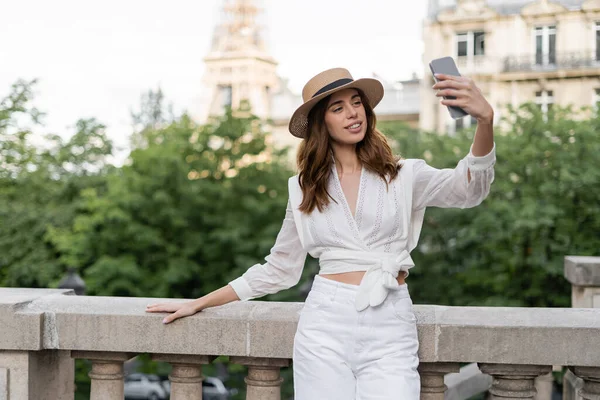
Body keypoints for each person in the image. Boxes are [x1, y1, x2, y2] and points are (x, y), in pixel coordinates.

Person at [146, 67, 496, 399]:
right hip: (325, 322)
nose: (352, 114)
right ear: (321, 122)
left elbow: (469, 189)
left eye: (357, 103)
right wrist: (200, 302)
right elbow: (279, 269)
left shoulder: (403, 175)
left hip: (391, 320)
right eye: (338, 107)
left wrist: (484, 120)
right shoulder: (304, 188)